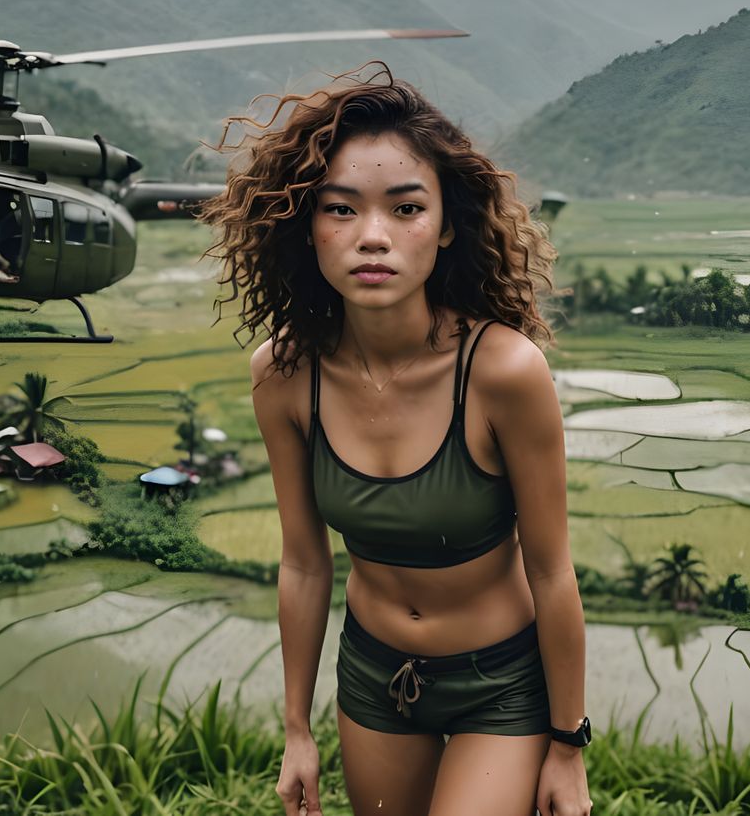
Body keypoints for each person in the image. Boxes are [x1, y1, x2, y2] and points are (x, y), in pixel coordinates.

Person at [198, 63, 591, 816]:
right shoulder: (283, 375)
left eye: (405, 208)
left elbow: (552, 573)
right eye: (340, 210)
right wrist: (295, 731)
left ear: (445, 227)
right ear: (306, 226)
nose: (372, 237)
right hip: (376, 678)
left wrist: (567, 744)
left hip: (499, 683)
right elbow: (305, 563)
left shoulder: (503, 371)